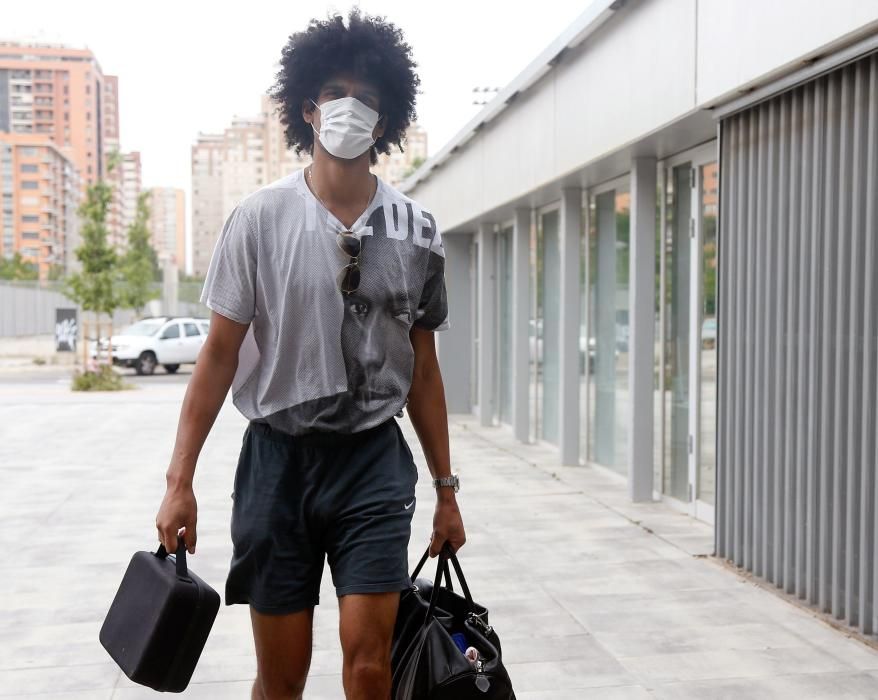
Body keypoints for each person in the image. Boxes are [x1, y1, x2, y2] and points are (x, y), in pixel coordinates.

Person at [154, 9, 465, 700]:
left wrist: (447, 491)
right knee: (282, 677)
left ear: (382, 123)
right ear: (307, 110)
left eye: (367, 100)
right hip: (276, 464)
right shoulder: (258, 221)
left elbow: (425, 371)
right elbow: (216, 357)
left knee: (368, 668)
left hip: (372, 466)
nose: (350, 110)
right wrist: (180, 480)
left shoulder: (417, 232)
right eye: (335, 94)